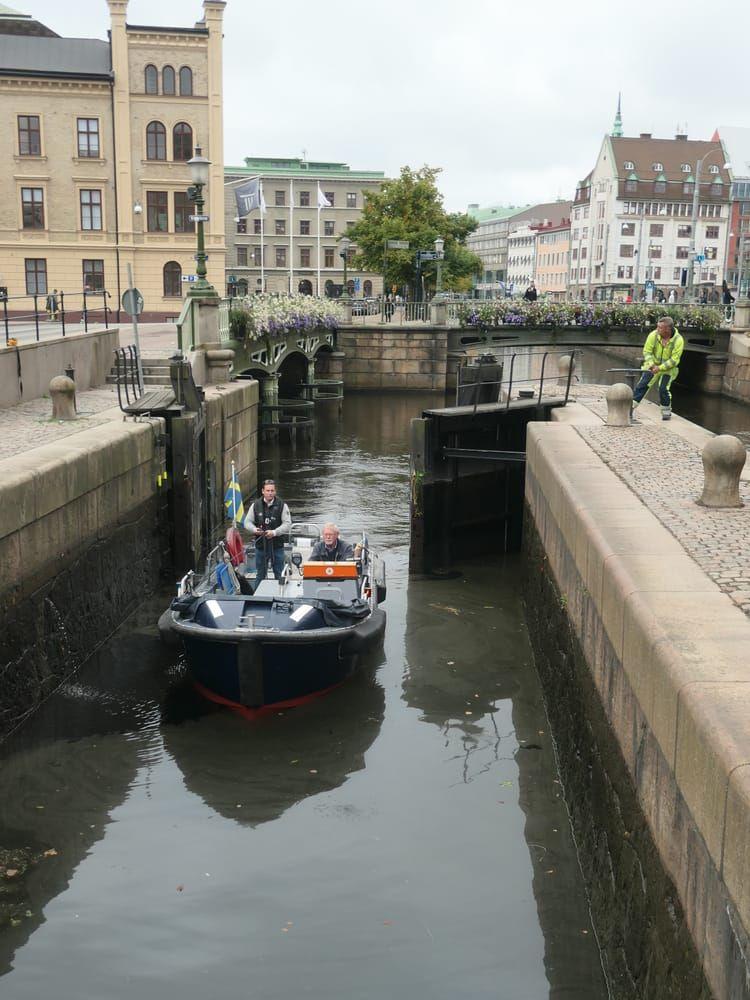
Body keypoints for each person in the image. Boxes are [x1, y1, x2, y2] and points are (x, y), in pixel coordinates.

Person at [632, 316, 684, 421]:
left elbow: (674, 360)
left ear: (668, 329)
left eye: (660, 327)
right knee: (642, 385)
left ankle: (666, 411)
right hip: (651, 367)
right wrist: (651, 365)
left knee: (663, 388)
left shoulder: (678, 340)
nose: (657, 329)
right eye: (657, 326)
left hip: (668, 370)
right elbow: (647, 351)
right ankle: (629, 408)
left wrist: (659, 368)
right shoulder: (653, 335)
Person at [243, 479, 291, 584]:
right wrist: (254, 529)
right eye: (268, 490)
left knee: (279, 574)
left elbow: (287, 524)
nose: (270, 493)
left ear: (275, 491)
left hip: (277, 546)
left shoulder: (282, 505)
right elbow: (247, 522)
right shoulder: (255, 505)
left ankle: (280, 597)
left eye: (272, 490)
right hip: (261, 546)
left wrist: (274, 532)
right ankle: (257, 598)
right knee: (260, 574)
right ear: (262, 491)